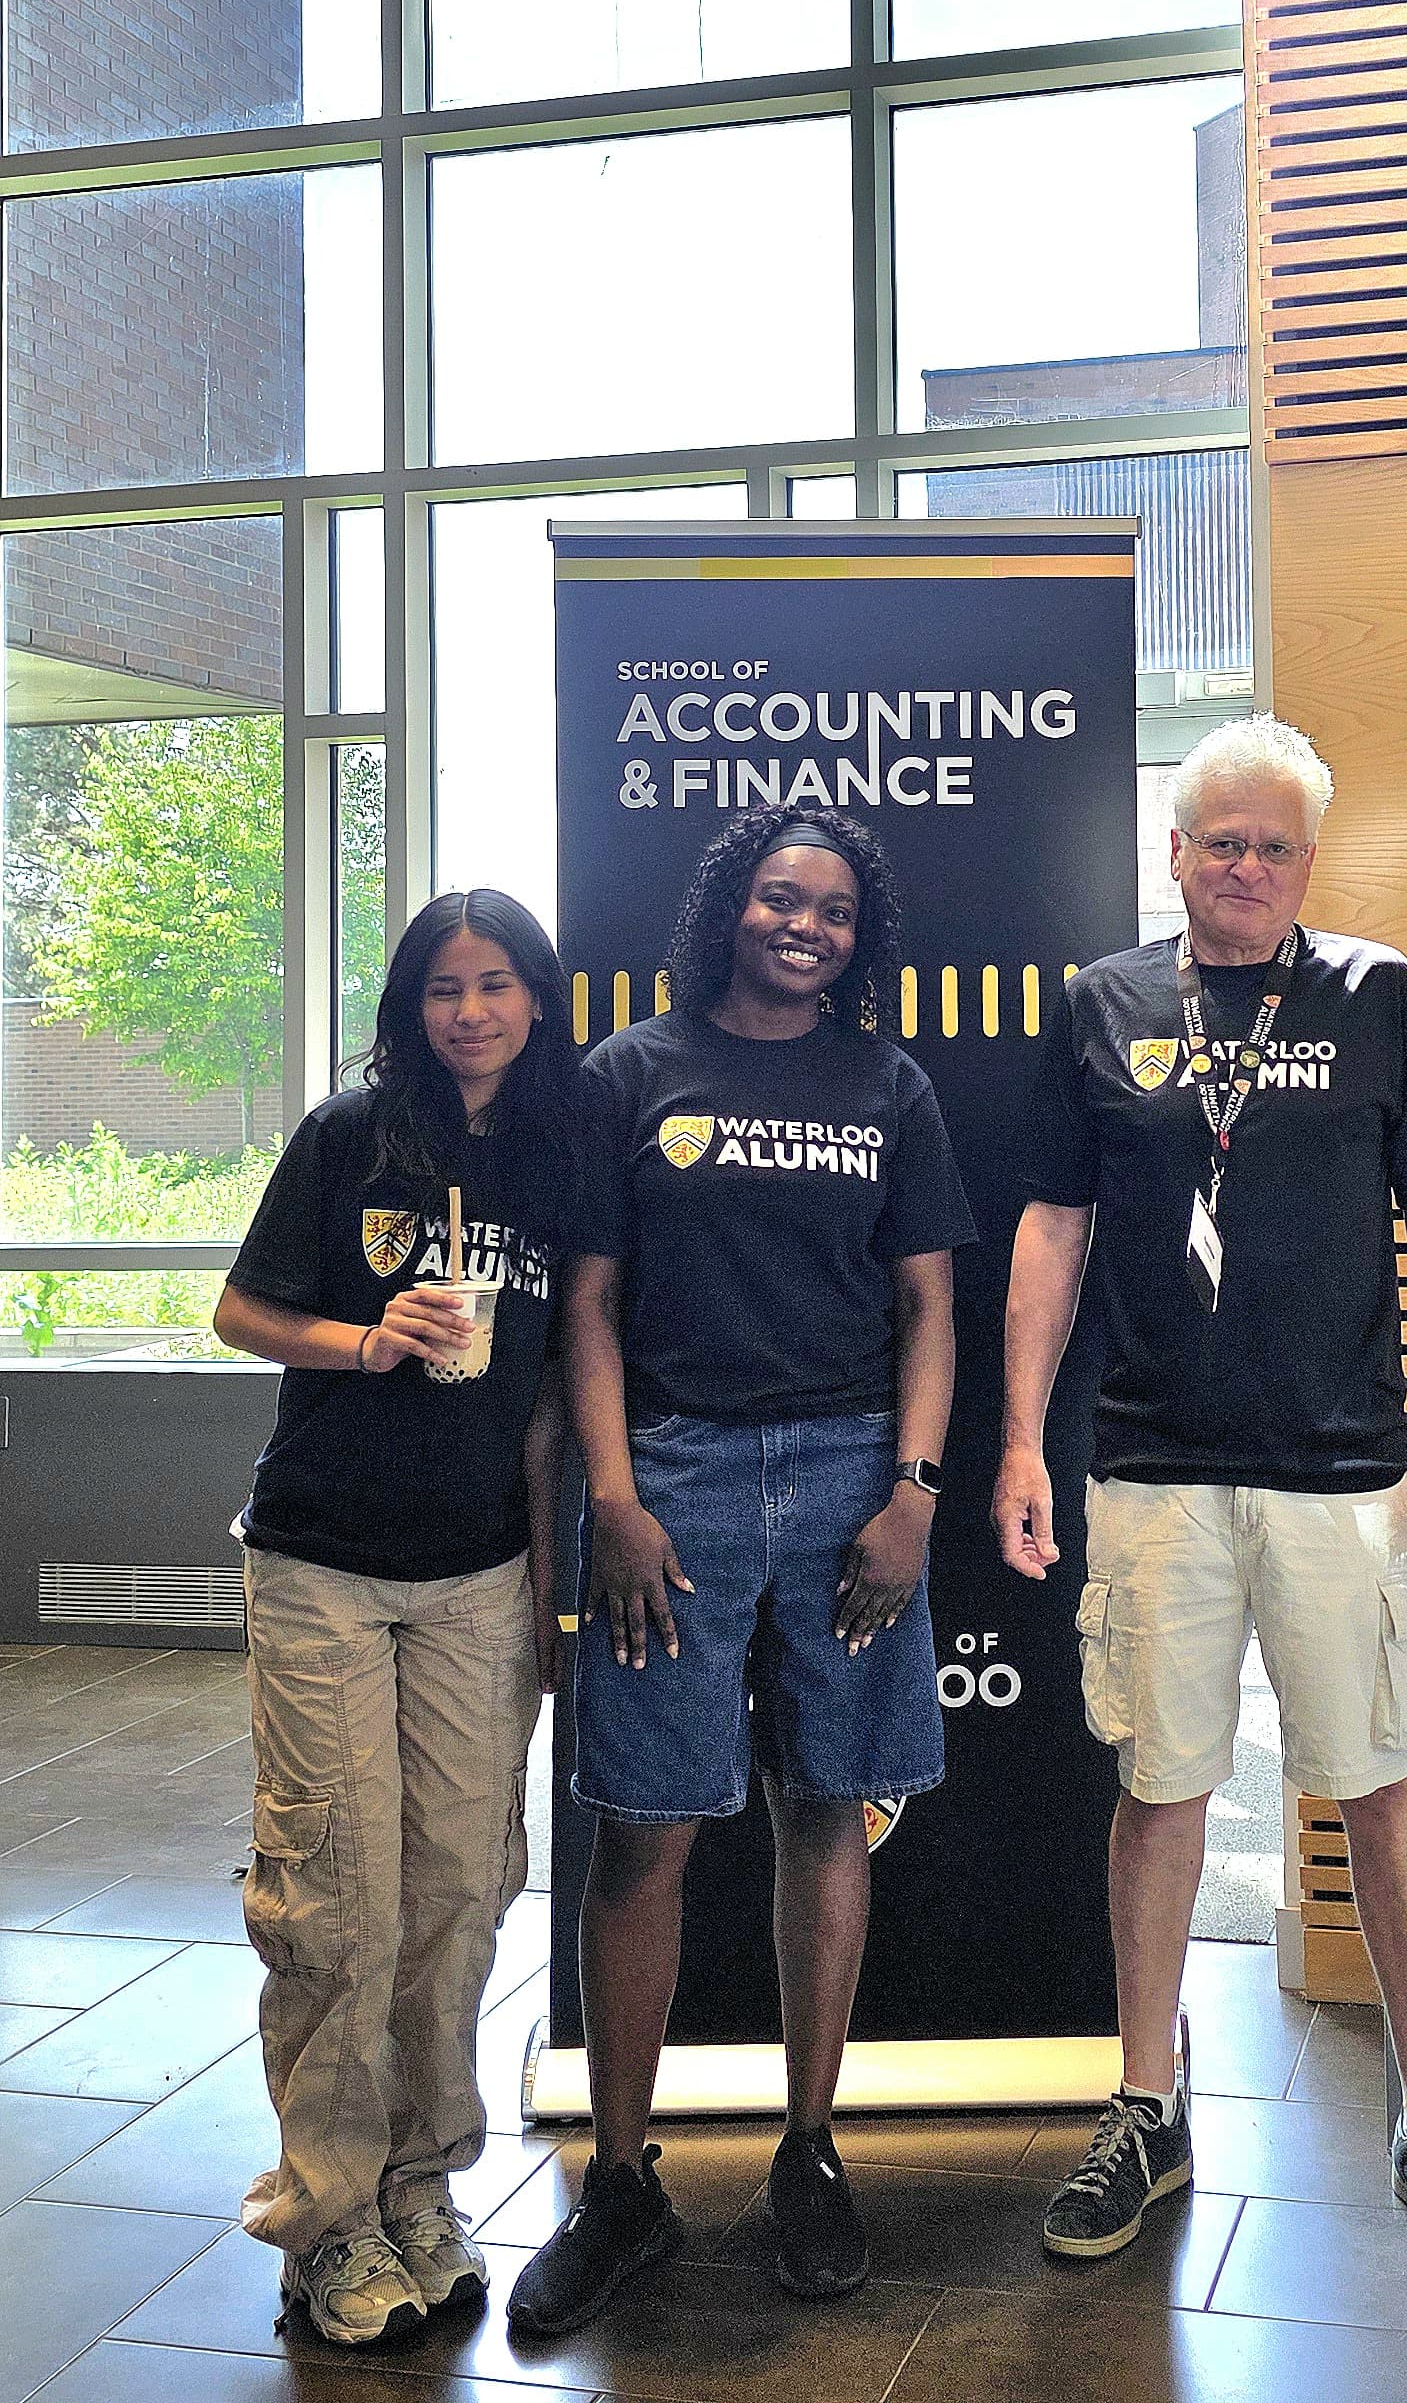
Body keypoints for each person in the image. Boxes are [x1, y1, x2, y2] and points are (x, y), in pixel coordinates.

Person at [995, 715, 1407, 2285]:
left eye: (1273, 845)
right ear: (1174, 852)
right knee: (1160, 1789)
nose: (1243, 866)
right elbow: (1050, 1229)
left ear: (1309, 862)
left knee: (1378, 1780)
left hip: (1345, 1467)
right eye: (1218, 839)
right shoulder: (1102, 1003)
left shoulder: (1376, 995)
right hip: (1151, 1465)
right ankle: (1147, 2102)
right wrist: (1023, 1437)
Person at [506, 812, 973, 2333]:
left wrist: (911, 1494)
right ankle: (624, 2184)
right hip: (678, 1479)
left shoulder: (886, 1082)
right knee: (643, 1831)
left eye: (834, 909)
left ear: (860, 935)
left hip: (850, 1476)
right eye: (780, 896)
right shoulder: (629, 1075)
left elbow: (929, 1309)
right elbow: (586, 1308)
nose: (804, 924)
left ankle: (810, 2151)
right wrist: (619, 1503)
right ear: (731, 909)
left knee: (829, 1806)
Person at [216, 889, 580, 2348]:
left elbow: (560, 1396)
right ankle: (329, 2219)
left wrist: (553, 1595)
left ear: (538, 1001)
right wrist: (368, 1341)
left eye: (497, 985)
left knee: (454, 1899)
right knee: (335, 1904)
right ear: (411, 1004)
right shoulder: (353, 1130)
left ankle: (421, 2180)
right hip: (321, 1564)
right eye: (445, 987)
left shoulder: (560, 1157)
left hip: (482, 1575)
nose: (472, 1011)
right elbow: (240, 1311)